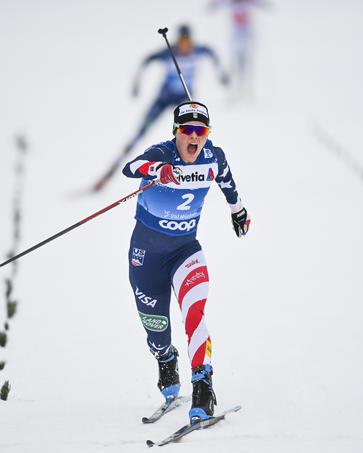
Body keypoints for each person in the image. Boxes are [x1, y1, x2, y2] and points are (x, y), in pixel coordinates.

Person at [122, 101, 250, 424]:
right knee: (156, 327)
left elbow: (226, 179)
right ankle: (166, 358)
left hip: (185, 251)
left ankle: (202, 383)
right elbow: (131, 167)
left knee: (194, 314)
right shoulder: (163, 153)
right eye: (187, 131)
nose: (194, 138)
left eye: (201, 131)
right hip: (147, 256)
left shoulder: (212, 157)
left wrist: (238, 211)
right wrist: (157, 170)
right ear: (176, 133)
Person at [93, 25, 228, 192]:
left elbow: (213, 54)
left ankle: (190, 170)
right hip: (164, 98)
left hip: (184, 101)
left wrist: (222, 74)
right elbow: (146, 61)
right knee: (140, 133)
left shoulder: (199, 50)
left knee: (193, 132)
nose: (184, 46)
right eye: (181, 42)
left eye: (187, 42)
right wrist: (137, 84)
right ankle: (110, 173)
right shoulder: (168, 53)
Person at [209, 0, 270, 100]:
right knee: (233, 65)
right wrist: (212, 6)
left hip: (247, 36)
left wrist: (265, 6)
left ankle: (248, 91)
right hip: (235, 37)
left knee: (248, 64)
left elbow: (259, 3)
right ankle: (232, 92)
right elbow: (219, 3)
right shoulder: (230, 2)